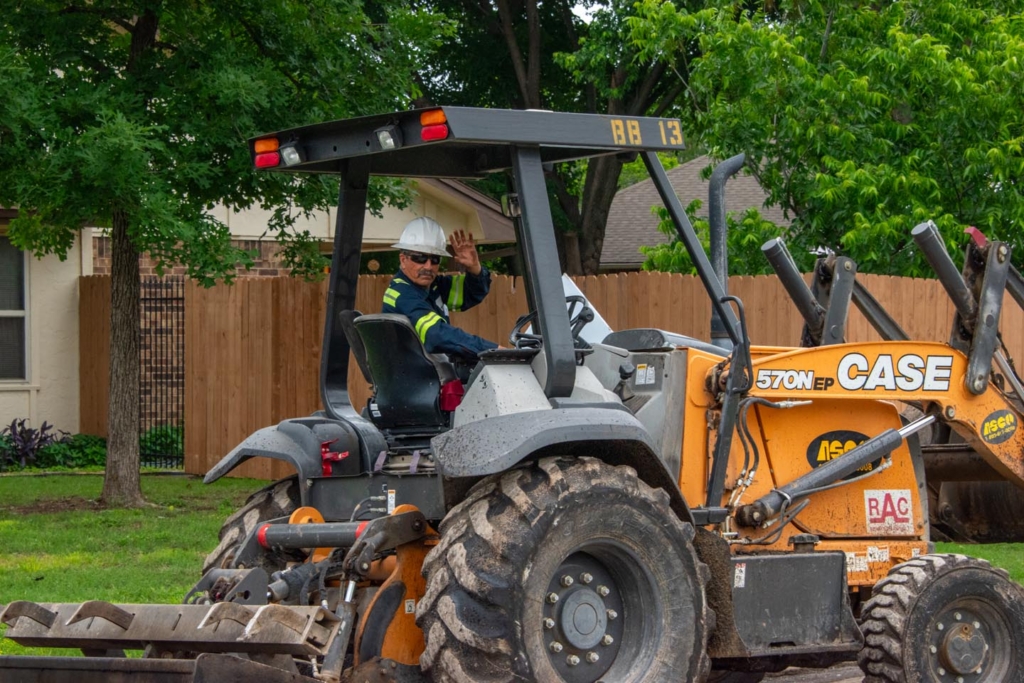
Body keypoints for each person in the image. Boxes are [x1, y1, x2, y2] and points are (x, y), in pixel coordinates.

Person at [382, 217, 499, 358]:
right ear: (403, 260)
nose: (428, 266)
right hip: (414, 376)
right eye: (420, 258)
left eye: (435, 259)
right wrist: (493, 350)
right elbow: (436, 334)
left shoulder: (434, 286)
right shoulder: (401, 294)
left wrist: (474, 268)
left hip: (428, 372)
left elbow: (472, 293)